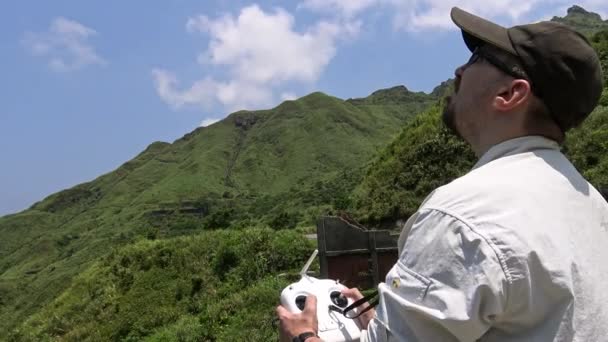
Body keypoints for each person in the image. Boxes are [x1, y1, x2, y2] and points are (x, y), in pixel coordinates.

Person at [276, 6, 608, 342]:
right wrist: (390, 324)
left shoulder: (462, 216)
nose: (459, 69)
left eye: (479, 57)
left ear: (510, 94)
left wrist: (303, 337)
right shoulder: (593, 206)